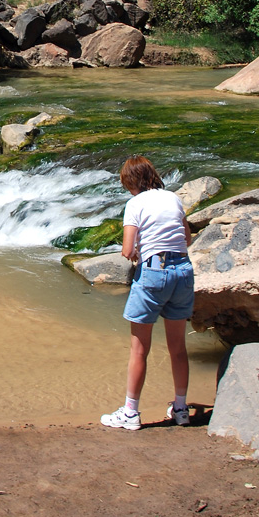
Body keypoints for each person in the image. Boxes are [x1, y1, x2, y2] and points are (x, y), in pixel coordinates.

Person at [101, 155, 193, 431]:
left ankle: (130, 413)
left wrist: (138, 252)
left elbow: (128, 250)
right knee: (178, 347)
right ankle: (180, 409)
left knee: (139, 349)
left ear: (131, 182)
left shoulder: (135, 204)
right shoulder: (172, 198)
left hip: (154, 272)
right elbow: (186, 238)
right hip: (183, 271)